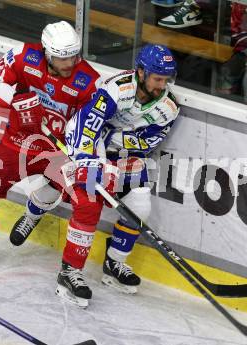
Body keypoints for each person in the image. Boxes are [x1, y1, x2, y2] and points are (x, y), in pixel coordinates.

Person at [0, 21, 101, 251]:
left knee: (83, 198)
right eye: (62, 58)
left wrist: (74, 142)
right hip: (17, 141)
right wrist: (17, 101)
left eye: (74, 57)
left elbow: (90, 126)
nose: (70, 63)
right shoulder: (23, 55)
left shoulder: (90, 81)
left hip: (59, 152)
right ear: (47, 53)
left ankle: (33, 213)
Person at [54, 44, 179, 308]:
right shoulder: (117, 88)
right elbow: (89, 122)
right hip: (89, 141)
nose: (162, 85)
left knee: (140, 206)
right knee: (89, 203)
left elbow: (147, 143)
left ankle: (115, 264)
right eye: (157, 78)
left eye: (166, 79)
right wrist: (87, 158)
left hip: (122, 151)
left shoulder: (168, 108)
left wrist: (117, 143)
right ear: (142, 72)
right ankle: (70, 272)